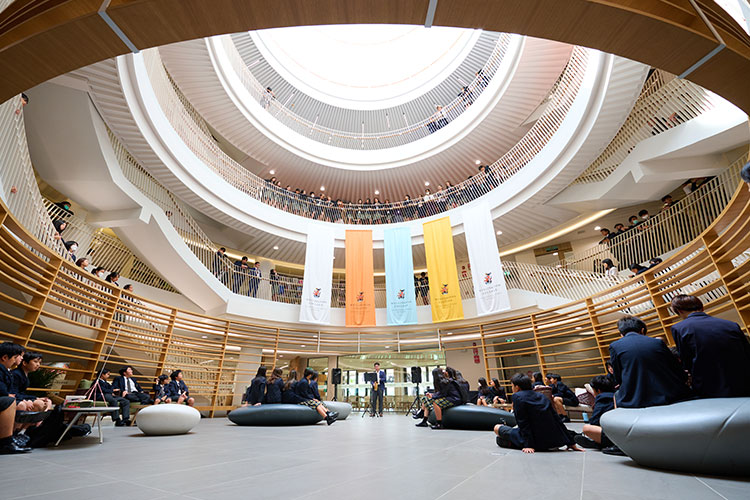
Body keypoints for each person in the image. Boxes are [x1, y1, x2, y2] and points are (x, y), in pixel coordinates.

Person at [670, 294, 750, 398]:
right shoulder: (732, 324)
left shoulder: (678, 328)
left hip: (709, 387)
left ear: (679, 311)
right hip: (743, 383)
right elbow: (747, 352)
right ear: (702, 307)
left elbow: (687, 361)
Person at [609, 316, 692, 409]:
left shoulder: (614, 346)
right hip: (667, 394)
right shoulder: (657, 342)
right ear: (642, 330)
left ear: (621, 334)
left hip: (636, 398)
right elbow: (674, 367)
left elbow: (618, 376)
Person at [494, 373, 582, 453]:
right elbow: (557, 419)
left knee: (497, 428)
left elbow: (523, 422)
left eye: (512, 386)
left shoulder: (517, 396)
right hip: (555, 441)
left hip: (536, 441)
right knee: (502, 438)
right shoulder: (541, 396)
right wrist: (570, 442)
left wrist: (528, 445)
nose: (512, 388)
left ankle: (510, 442)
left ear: (517, 387)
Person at [575, 375, 616, 449]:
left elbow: (594, 421)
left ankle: (598, 443)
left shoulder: (602, 398)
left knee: (587, 428)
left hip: (613, 436)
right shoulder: (617, 395)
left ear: (598, 390)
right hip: (622, 432)